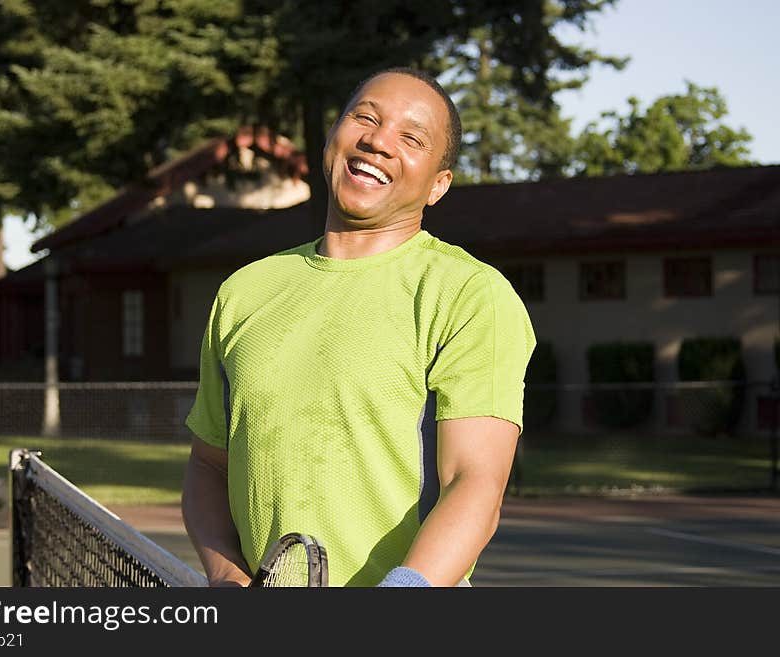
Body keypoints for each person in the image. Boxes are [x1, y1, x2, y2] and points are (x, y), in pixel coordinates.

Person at [181, 67, 536, 587]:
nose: (378, 141)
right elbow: (209, 466)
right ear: (332, 138)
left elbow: (475, 483)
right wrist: (227, 576)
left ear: (439, 186)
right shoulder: (244, 291)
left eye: (411, 138)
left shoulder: (469, 294)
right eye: (365, 117)